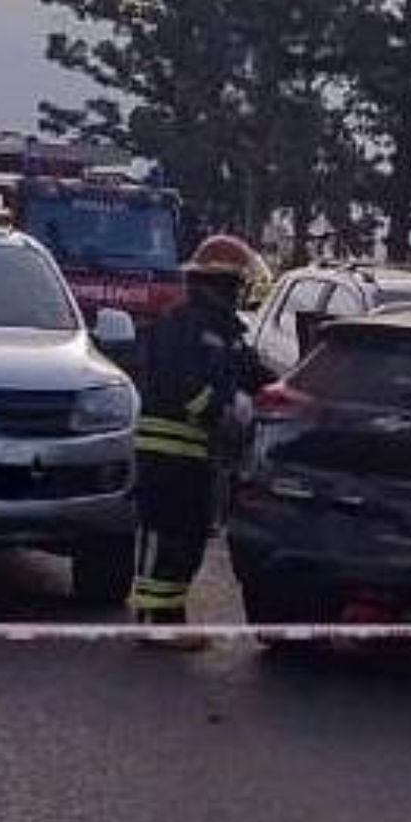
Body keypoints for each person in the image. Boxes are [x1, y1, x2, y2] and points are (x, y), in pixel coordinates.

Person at [127, 234, 271, 644]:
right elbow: (180, 384)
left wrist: (290, 392)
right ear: (220, 284)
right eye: (236, 284)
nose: (240, 292)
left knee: (188, 538)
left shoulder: (224, 331)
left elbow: (252, 373)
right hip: (166, 449)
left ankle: (170, 617)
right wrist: (220, 411)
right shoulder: (180, 324)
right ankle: (153, 622)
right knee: (164, 536)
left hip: (199, 453)